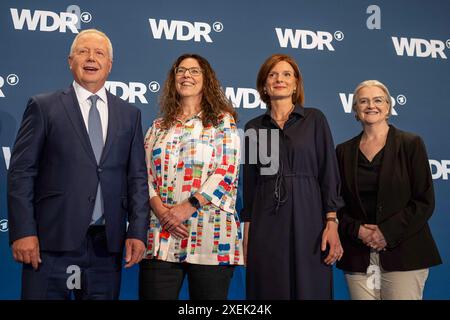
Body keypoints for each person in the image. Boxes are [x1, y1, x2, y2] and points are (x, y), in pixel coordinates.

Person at [7, 29, 150, 300]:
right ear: (70, 61)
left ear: (109, 65)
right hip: (50, 244)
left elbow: (137, 178)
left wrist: (138, 232)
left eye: (99, 53)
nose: (91, 58)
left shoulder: (129, 115)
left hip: (106, 248)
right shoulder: (43, 106)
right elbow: (22, 173)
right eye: (83, 51)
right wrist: (23, 231)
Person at [139, 53, 242, 300]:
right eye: (181, 70)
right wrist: (163, 213)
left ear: (206, 80)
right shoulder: (158, 126)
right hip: (161, 234)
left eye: (195, 71)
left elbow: (226, 170)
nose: (187, 75)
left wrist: (187, 207)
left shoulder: (222, 122)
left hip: (209, 238)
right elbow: (142, 175)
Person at [242, 54, 344, 299]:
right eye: (273, 74)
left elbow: (328, 172)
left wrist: (332, 222)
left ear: (296, 84)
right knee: (269, 288)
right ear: (264, 85)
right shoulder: (254, 127)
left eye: (287, 74)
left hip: (309, 217)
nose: (280, 79)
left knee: (311, 287)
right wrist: (247, 234)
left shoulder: (314, 119)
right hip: (267, 219)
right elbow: (252, 184)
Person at [336, 80, 442, 300]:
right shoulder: (343, 151)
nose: (370, 105)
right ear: (355, 109)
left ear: (388, 107)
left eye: (378, 100)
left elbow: (424, 201)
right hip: (358, 254)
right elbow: (336, 203)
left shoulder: (410, 144)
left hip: (405, 252)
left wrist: (386, 232)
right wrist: (358, 230)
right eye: (363, 101)